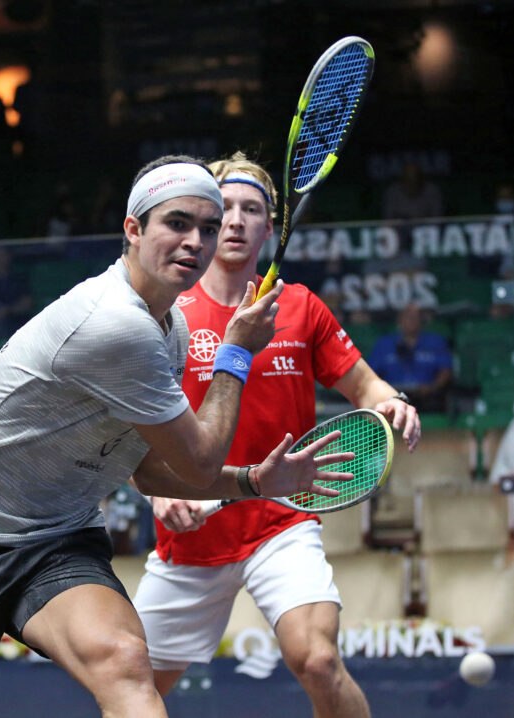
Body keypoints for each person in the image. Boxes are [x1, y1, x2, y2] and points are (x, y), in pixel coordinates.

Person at [0, 156, 356, 718]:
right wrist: (236, 352)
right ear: (133, 229)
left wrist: (255, 480)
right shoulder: (115, 323)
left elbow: (152, 469)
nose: (196, 242)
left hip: (56, 538)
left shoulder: (170, 327)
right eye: (177, 223)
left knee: (126, 661)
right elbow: (199, 463)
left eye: (208, 228)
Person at [133, 152, 421, 718]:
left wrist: (390, 401)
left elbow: (365, 385)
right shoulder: (164, 312)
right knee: (132, 687)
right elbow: (130, 426)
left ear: (270, 228)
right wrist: (159, 492)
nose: (236, 221)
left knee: (318, 660)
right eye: (224, 209)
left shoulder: (300, 307)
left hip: (281, 521)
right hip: (192, 539)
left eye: (252, 210)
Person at [367, 303, 454, 413]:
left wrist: (432, 388)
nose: (412, 320)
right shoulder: (384, 344)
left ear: (421, 321)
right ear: (399, 320)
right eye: (408, 317)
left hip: (428, 398)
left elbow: (446, 371)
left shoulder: (436, 342)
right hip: (391, 397)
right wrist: (384, 390)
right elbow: (371, 374)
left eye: (415, 317)